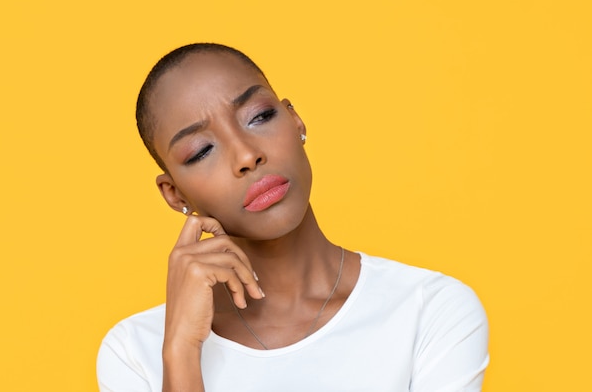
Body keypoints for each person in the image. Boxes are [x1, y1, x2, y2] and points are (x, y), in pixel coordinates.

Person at [96, 43, 489, 392]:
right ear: (175, 193)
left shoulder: (428, 310)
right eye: (201, 151)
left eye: (259, 116)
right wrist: (181, 353)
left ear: (296, 121)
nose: (247, 156)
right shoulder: (136, 351)